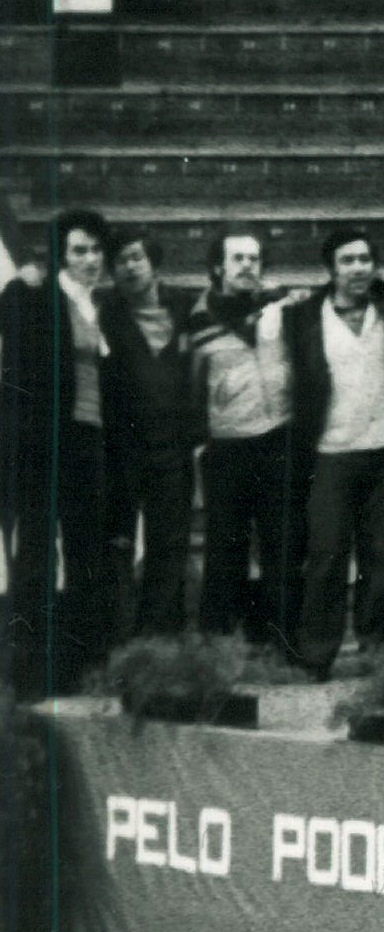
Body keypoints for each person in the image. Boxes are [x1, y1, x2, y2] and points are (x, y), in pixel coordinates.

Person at [5, 211, 132, 692]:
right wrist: (24, 280)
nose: (90, 259)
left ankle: (80, 667)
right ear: (61, 255)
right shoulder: (35, 295)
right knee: (37, 550)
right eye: (79, 250)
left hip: (90, 441)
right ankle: (30, 673)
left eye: (97, 250)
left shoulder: (104, 308)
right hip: (45, 444)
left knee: (86, 554)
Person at [283, 224, 384, 683]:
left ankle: (376, 653)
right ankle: (318, 652)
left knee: (380, 557)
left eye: (364, 260)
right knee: (327, 556)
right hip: (331, 451)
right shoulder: (303, 316)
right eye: (347, 261)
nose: (357, 269)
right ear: (331, 269)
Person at [190, 226, 299, 658]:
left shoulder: (281, 308)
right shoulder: (197, 318)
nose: (247, 266)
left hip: (278, 437)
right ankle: (219, 647)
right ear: (218, 266)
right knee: (225, 547)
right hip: (227, 444)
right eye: (238, 258)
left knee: (282, 543)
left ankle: (283, 643)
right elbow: (190, 384)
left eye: (254, 259)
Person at [102, 226, 201, 642]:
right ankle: (119, 639)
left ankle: (162, 639)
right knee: (117, 544)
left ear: (153, 261)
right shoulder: (102, 310)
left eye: (136, 257)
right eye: (120, 260)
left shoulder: (185, 305)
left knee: (169, 544)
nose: (129, 267)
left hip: (173, 448)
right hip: (120, 449)